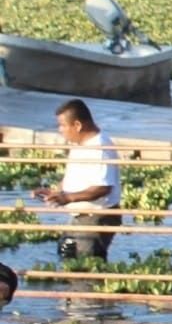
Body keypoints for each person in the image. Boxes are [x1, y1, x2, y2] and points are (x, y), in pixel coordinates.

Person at [35, 100, 121, 261]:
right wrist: (56, 192)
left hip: (97, 215)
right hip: (81, 214)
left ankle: (87, 285)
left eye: (62, 125)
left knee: (87, 259)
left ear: (77, 125)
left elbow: (102, 188)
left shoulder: (99, 148)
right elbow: (75, 176)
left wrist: (67, 198)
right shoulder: (80, 144)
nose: (60, 130)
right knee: (67, 252)